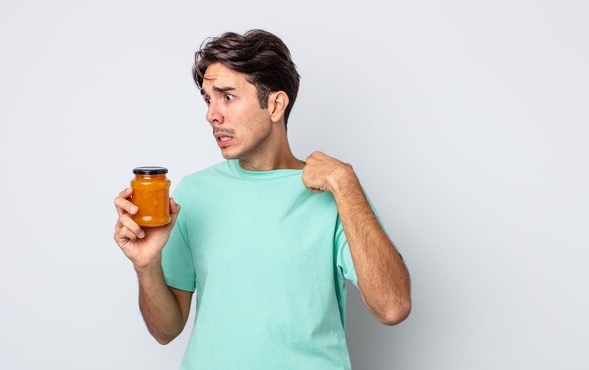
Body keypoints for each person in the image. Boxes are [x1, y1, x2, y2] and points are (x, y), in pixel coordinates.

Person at [113, 29, 411, 370]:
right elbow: (166, 331)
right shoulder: (192, 194)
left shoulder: (336, 192)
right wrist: (146, 266)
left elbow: (393, 307)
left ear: (275, 104)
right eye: (208, 99)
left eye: (227, 97)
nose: (212, 114)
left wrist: (345, 184)